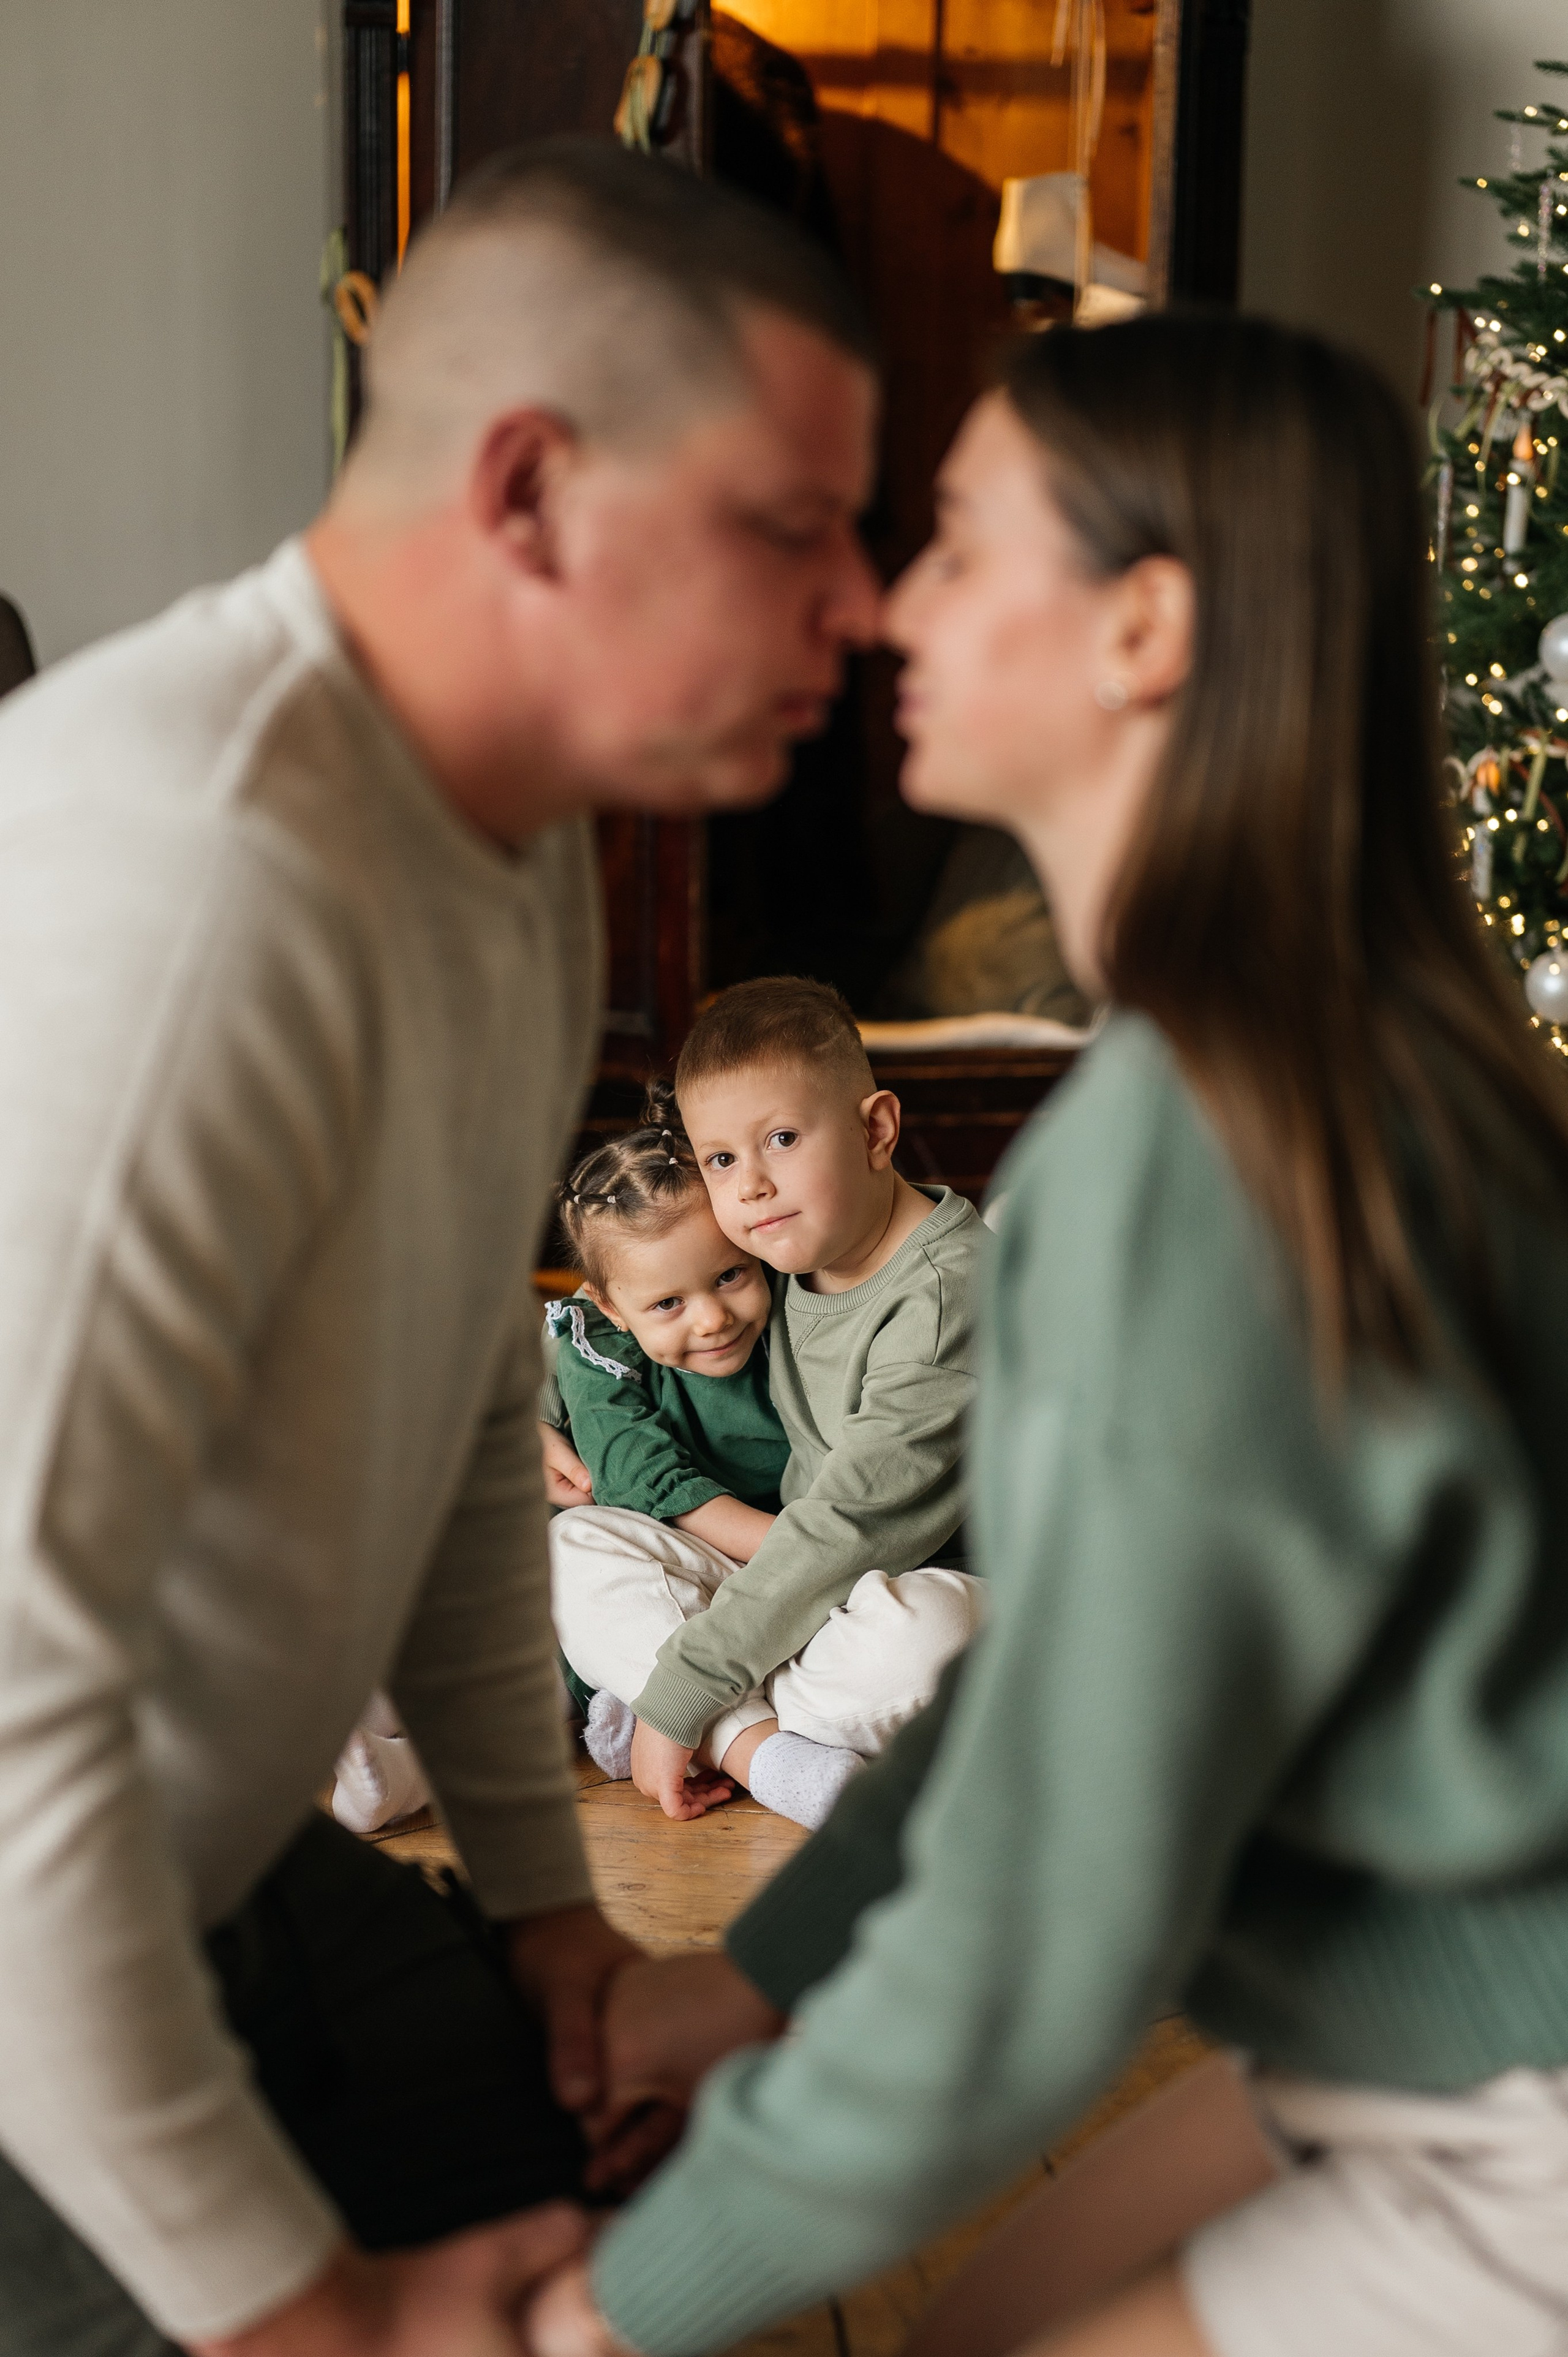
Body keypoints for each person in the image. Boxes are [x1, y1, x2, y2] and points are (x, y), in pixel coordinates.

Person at [527, 312, 1568, 2357]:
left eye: (964, 541)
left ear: (1144, 627)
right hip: (1430, 2035)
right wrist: (752, 1973)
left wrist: (592, 2319)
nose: (893, 595)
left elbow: (1024, 1956)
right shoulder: (1265, 1075)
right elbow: (1045, 1717)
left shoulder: (1206, 1157)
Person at [0, 137, 880, 2357]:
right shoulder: (191, 879)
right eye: (789, 528)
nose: (858, 609)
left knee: (661, 2201)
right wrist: (307, 2309)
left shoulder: (510, 850)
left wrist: (544, 1905)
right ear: (528, 491)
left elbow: (478, 1405)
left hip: (197, 1875)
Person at [546, 977, 987, 1831]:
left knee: (927, 1641)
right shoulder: (789, 1247)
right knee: (576, 1544)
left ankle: (699, 1718)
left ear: (876, 1130)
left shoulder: (942, 1297)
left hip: (912, 1583)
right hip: (799, 1585)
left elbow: (854, 1530)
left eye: (781, 1139)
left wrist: (681, 1693)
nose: (748, 1188)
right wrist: (532, 1412)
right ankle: (770, 1746)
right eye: (720, 1160)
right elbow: (625, 1307)